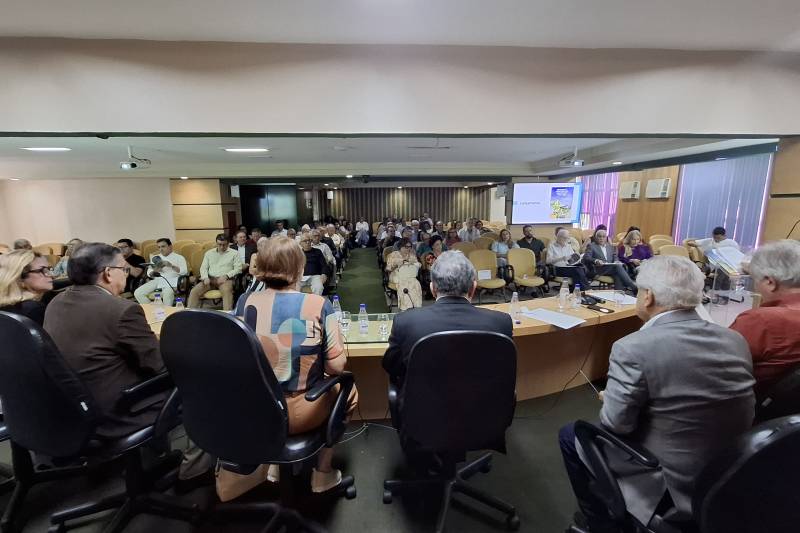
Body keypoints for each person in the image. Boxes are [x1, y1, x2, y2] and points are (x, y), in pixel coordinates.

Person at [559, 255, 755, 532]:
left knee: (571, 434)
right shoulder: (734, 339)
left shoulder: (633, 347)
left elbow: (616, 424)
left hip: (672, 484)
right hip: (729, 472)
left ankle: (603, 523)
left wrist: (611, 398)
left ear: (648, 296)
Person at [235, 236, 358, 494]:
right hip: (301, 412)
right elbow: (336, 368)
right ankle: (322, 474)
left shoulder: (244, 301)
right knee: (349, 391)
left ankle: (275, 464)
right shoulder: (318, 304)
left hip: (254, 409)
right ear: (299, 269)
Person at [43, 243, 166, 438]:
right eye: (123, 269)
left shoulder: (55, 302)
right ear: (108, 273)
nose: (126, 274)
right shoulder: (122, 310)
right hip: (116, 412)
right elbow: (158, 365)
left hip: (72, 408)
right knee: (197, 382)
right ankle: (190, 457)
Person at [383, 251, 513, 434]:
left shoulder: (405, 322)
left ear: (433, 288)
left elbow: (392, 366)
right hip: (483, 418)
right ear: (473, 288)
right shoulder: (502, 322)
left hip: (423, 420)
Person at [730, 240, 800, 397]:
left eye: (755, 280)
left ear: (770, 282)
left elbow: (714, 365)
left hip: (757, 406)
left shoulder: (761, 321)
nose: (756, 287)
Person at [188, 234, 242, 310]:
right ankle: (189, 313)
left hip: (225, 280)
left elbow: (238, 269)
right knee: (194, 291)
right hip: (210, 279)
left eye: (224, 245)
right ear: (216, 243)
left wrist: (226, 276)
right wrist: (205, 277)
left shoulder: (234, 253)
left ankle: (227, 314)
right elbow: (203, 268)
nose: (222, 247)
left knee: (226, 291)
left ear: (228, 244)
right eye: (219, 244)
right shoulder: (209, 253)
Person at [0, 250, 54, 325]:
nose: (51, 274)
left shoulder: (5, 306)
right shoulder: (34, 310)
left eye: (49, 269)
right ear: (20, 278)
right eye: (42, 270)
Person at [134, 238, 188, 306]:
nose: (161, 249)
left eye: (163, 246)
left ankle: (166, 311)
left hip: (172, 281)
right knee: (138, 293)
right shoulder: (156, 258)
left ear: (170, 246)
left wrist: (171, 266)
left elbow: (184, 272)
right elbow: (149, 273)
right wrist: (155, 270)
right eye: (159, 247)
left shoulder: (179, 257)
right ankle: (153, 309)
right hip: (157, 280)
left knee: (167, 293)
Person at [385, 238, 422, 310]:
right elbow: (388, 269)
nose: (408, 249)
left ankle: (416, 306)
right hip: (396, 275)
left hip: (410, 275)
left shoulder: (412, 255)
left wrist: (414, 263)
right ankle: (406, 307)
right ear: (400, 247)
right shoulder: (393, 255)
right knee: (404, 284)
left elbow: (418, 266)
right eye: (406, 247)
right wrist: (397, 265)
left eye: (410, 247)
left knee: (416, 283)